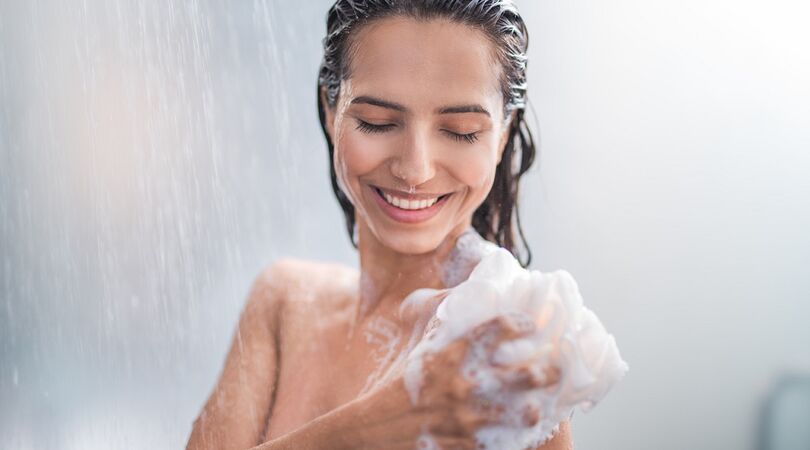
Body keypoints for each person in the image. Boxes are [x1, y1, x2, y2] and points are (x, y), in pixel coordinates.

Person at [187, 1, 573, 448]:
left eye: (461, 130)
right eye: (378, 123)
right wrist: (388, 419)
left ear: (503, 134)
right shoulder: (284, 302)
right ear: (330, 110)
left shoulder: (510, 360)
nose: (415, 169)